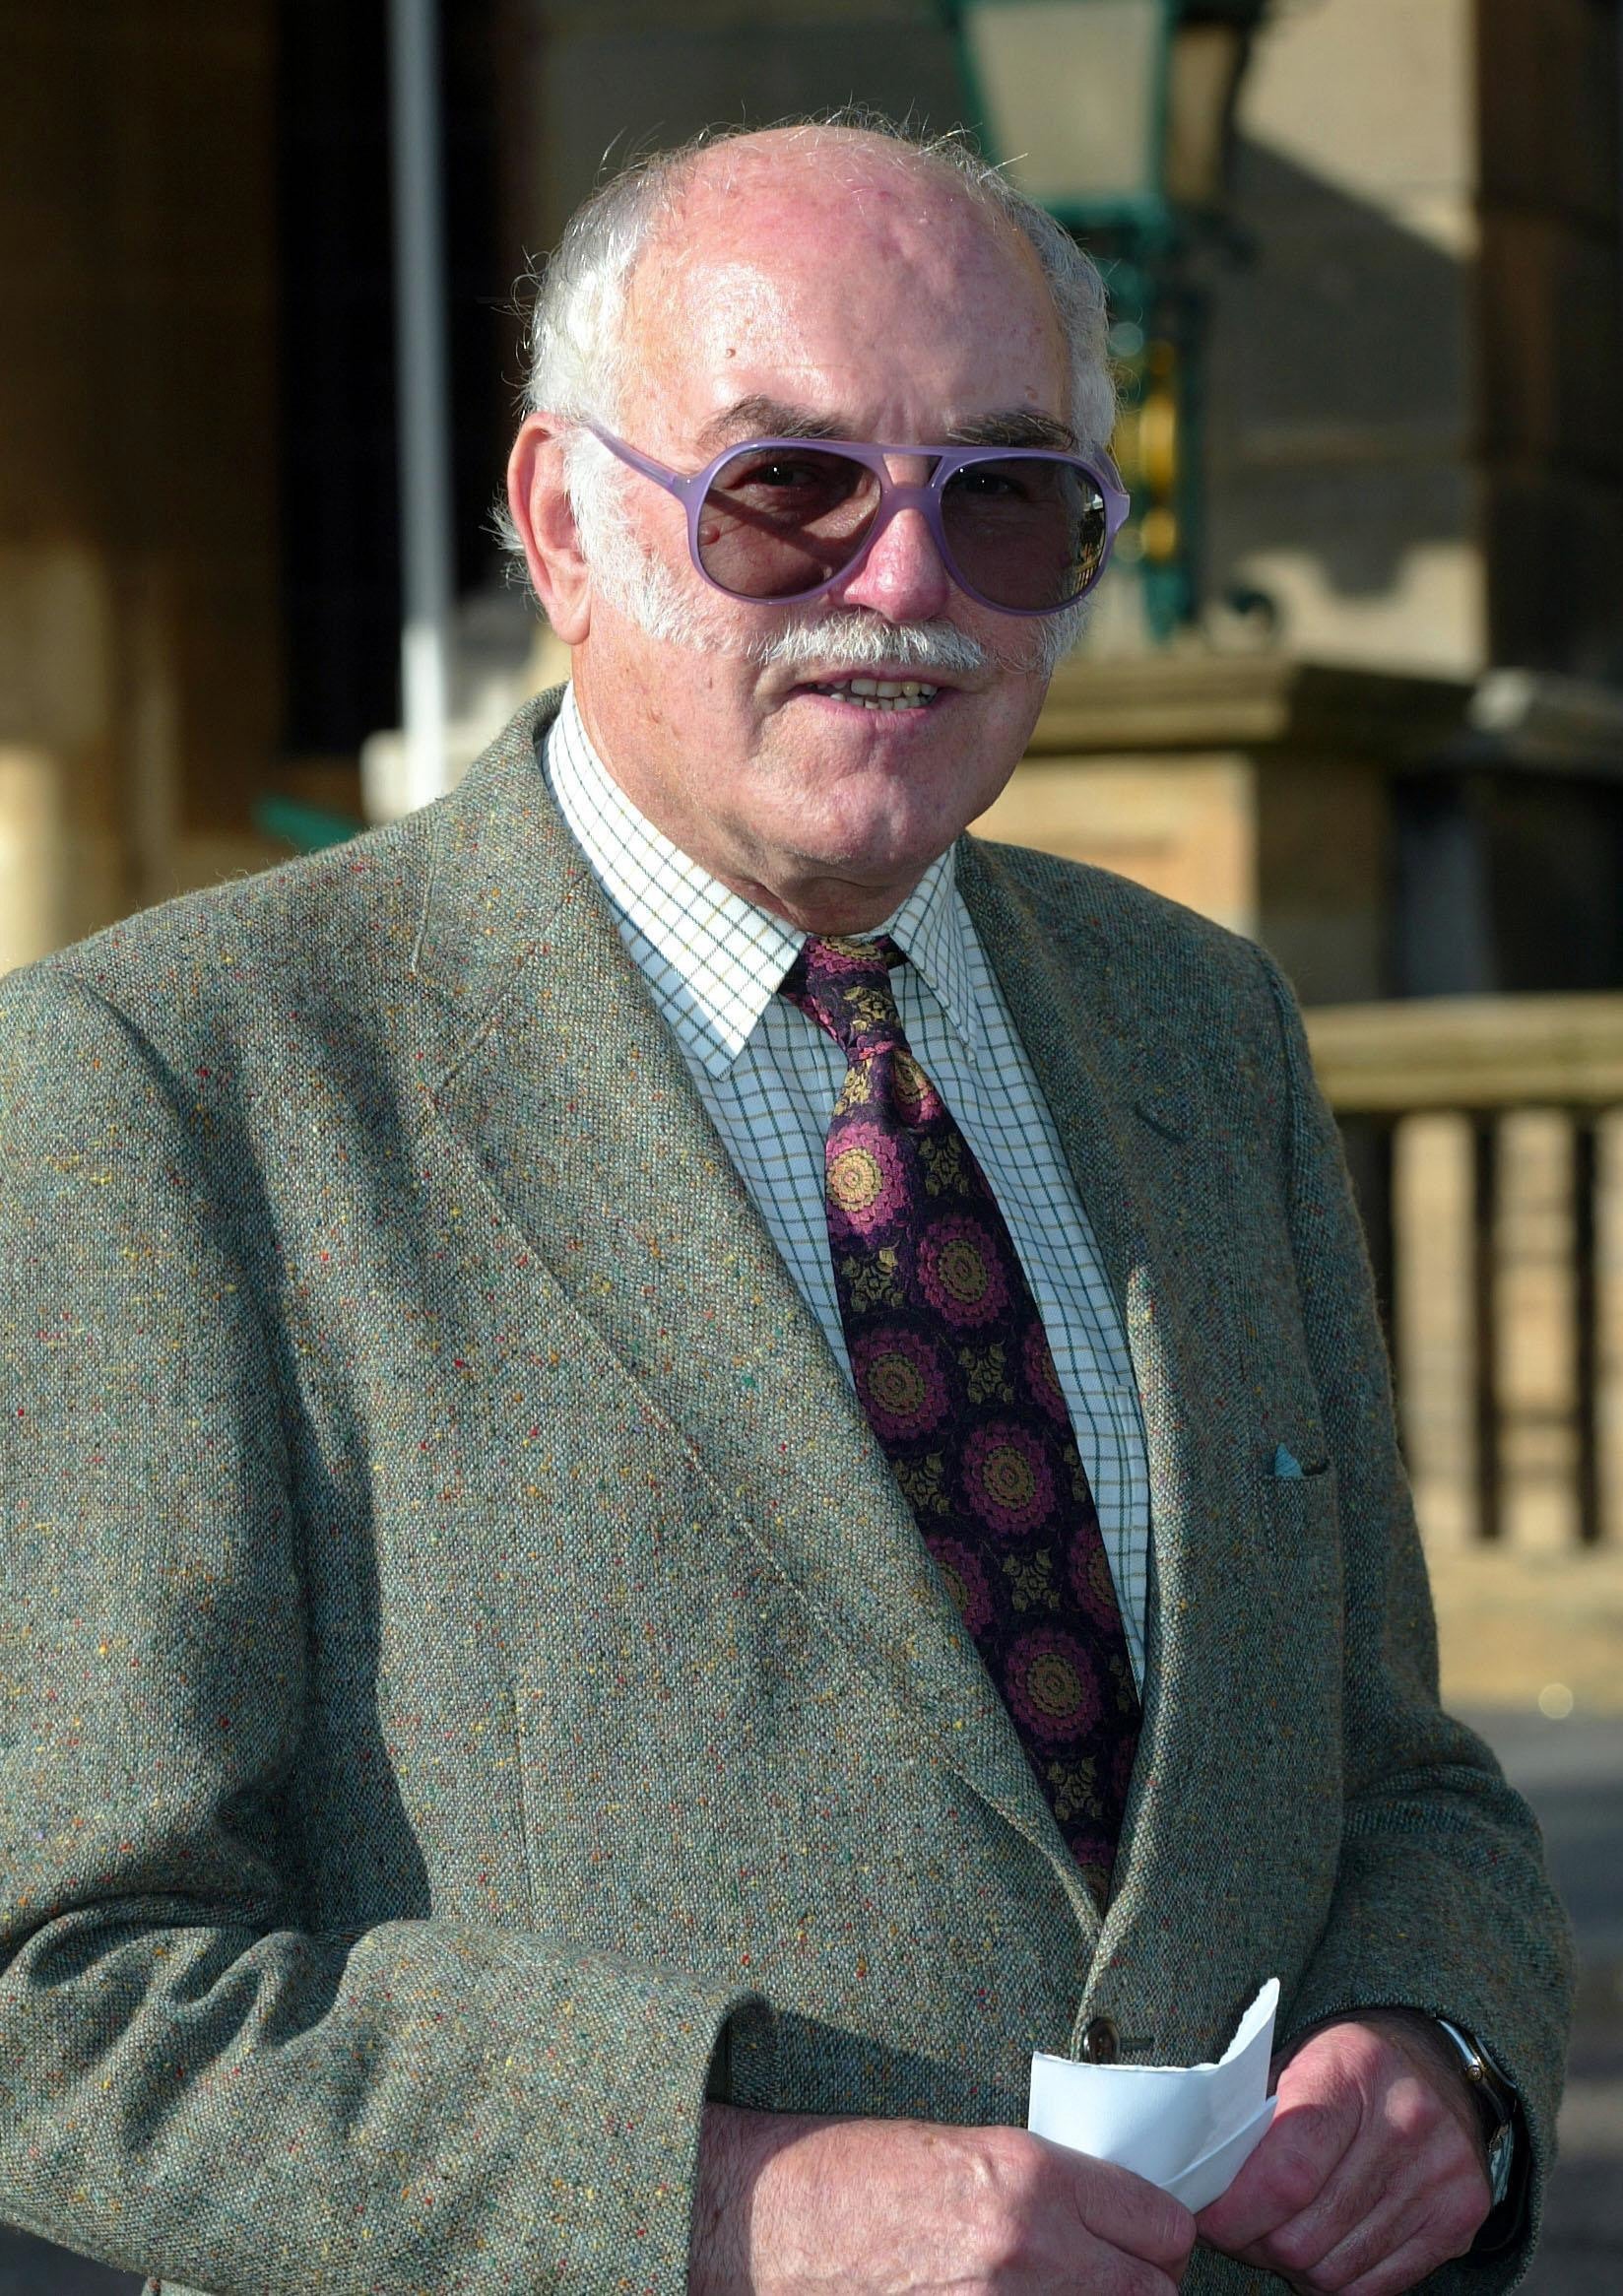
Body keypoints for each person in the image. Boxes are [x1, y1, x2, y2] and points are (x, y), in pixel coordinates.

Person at [0, 117, 1572, 2296]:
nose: (906, 583)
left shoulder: (1197, 1027)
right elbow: (61, 1992)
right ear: (564, 523)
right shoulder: (178, 1083)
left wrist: (1436, 2049)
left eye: (1004, 498)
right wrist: (720, 2196)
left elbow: (1399, 1778)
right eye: (788, 491)